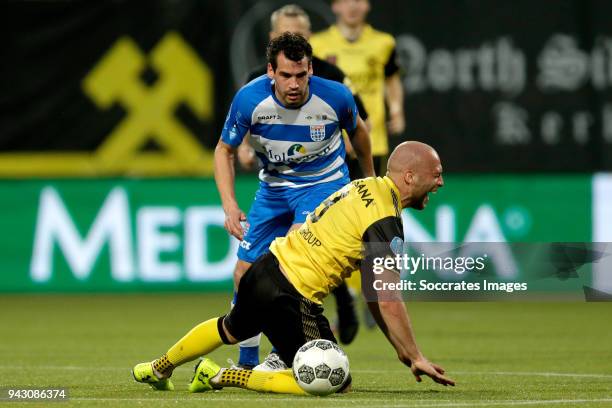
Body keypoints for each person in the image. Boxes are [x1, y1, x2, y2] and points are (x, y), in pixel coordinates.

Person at [132, 141, 454, 394]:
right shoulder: (385, 217)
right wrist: (416, 356)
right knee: (335, 382)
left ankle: (159, 368)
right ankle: (221, 375)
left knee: (228, 328)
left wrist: (402, 349)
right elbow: (387, 298)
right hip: (292, 296)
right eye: (436, 173)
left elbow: (373, 293)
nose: (440, 181)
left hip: (266, 267)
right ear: (410, 176)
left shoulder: (364, 187)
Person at [214, 32, 375, 370]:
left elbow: (360, 134)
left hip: (323, 186)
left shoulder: (335, 98)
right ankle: (246, 361)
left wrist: (370, 182)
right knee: (244, 273)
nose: (294, 84)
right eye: (286, 75)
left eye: (301, 75)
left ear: (310, 69)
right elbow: (224, 150)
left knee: (286, 265)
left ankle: (283, 353)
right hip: (274, 188)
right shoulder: (249, 100)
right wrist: (229, 205)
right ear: (271, 71)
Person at [240, 4, 365, 349]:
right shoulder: (256, 80)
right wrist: (246, 150)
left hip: (333, 172)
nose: (293, 81)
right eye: (282, 35)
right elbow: (242, 132)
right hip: (278, 180)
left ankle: (308, 337)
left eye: (299, 34)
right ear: (271, 43)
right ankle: (272, 346)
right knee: (282, 262)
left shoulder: (331, 78)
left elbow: (358, 127)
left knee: (303, 254)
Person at [310, 0, 405, 177]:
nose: (352, 6)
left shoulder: (383, 43)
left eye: (358, 1)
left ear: (367, 5)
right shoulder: (317, 44)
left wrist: (396, 109)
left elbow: (391, 79)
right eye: (345, 1)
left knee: (371, 201)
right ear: (335, 6)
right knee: (334, 203)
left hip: (372, 139)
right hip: (331, 141)